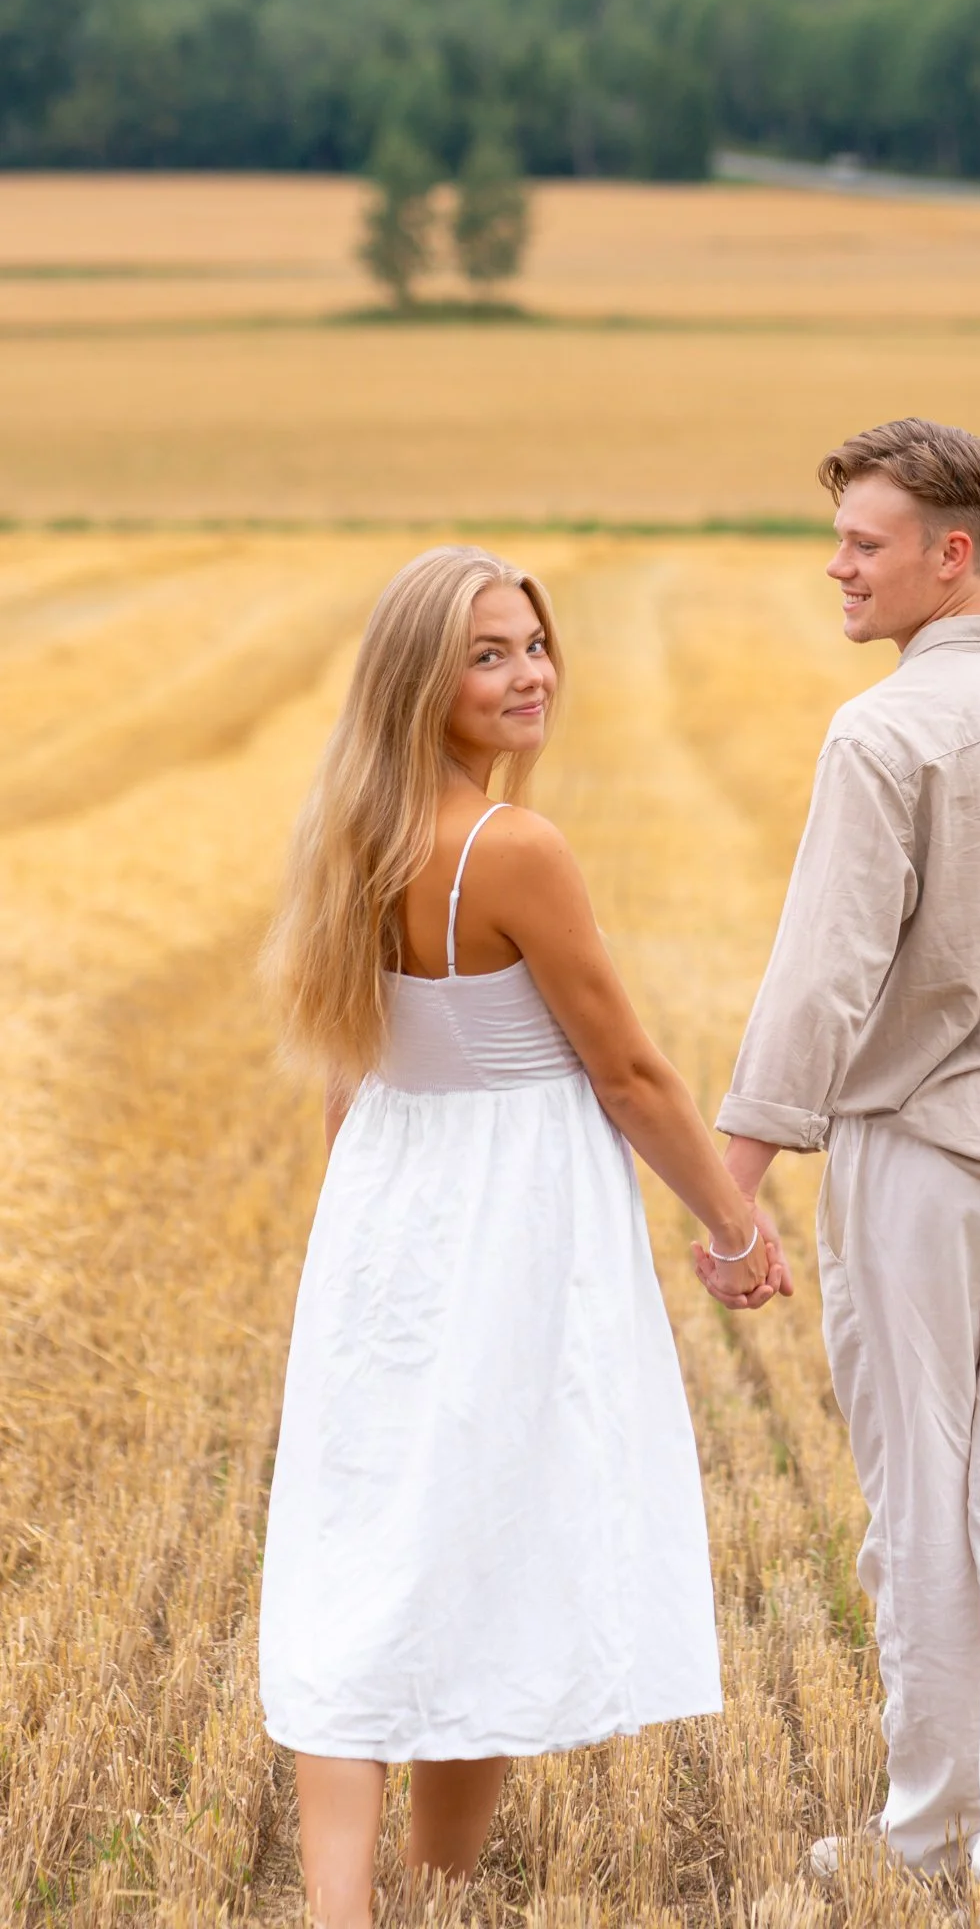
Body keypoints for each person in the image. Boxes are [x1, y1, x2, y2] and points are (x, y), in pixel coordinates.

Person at [258, 545, 788, 1929]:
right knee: (483, 1530)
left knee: (367, 1534)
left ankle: (357, 1903)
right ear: (421, 679)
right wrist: (735, 1226)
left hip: (388, 1202)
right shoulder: (511, 848)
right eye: (488, 653)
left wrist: (357, 1247)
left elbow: (344, 1072)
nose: (529, 672)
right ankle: (417, 1887)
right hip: (514, 1220)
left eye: (535, 644)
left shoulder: (348, 829)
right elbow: (630, 1075)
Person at [702, 418, 980, 1925]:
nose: (838, 565)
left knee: (922, 1516)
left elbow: (820, 981)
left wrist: (735, 1180)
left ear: (952, 555)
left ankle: (922, 1835)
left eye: (867, 542)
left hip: (921, 1168)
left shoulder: (881, 734)